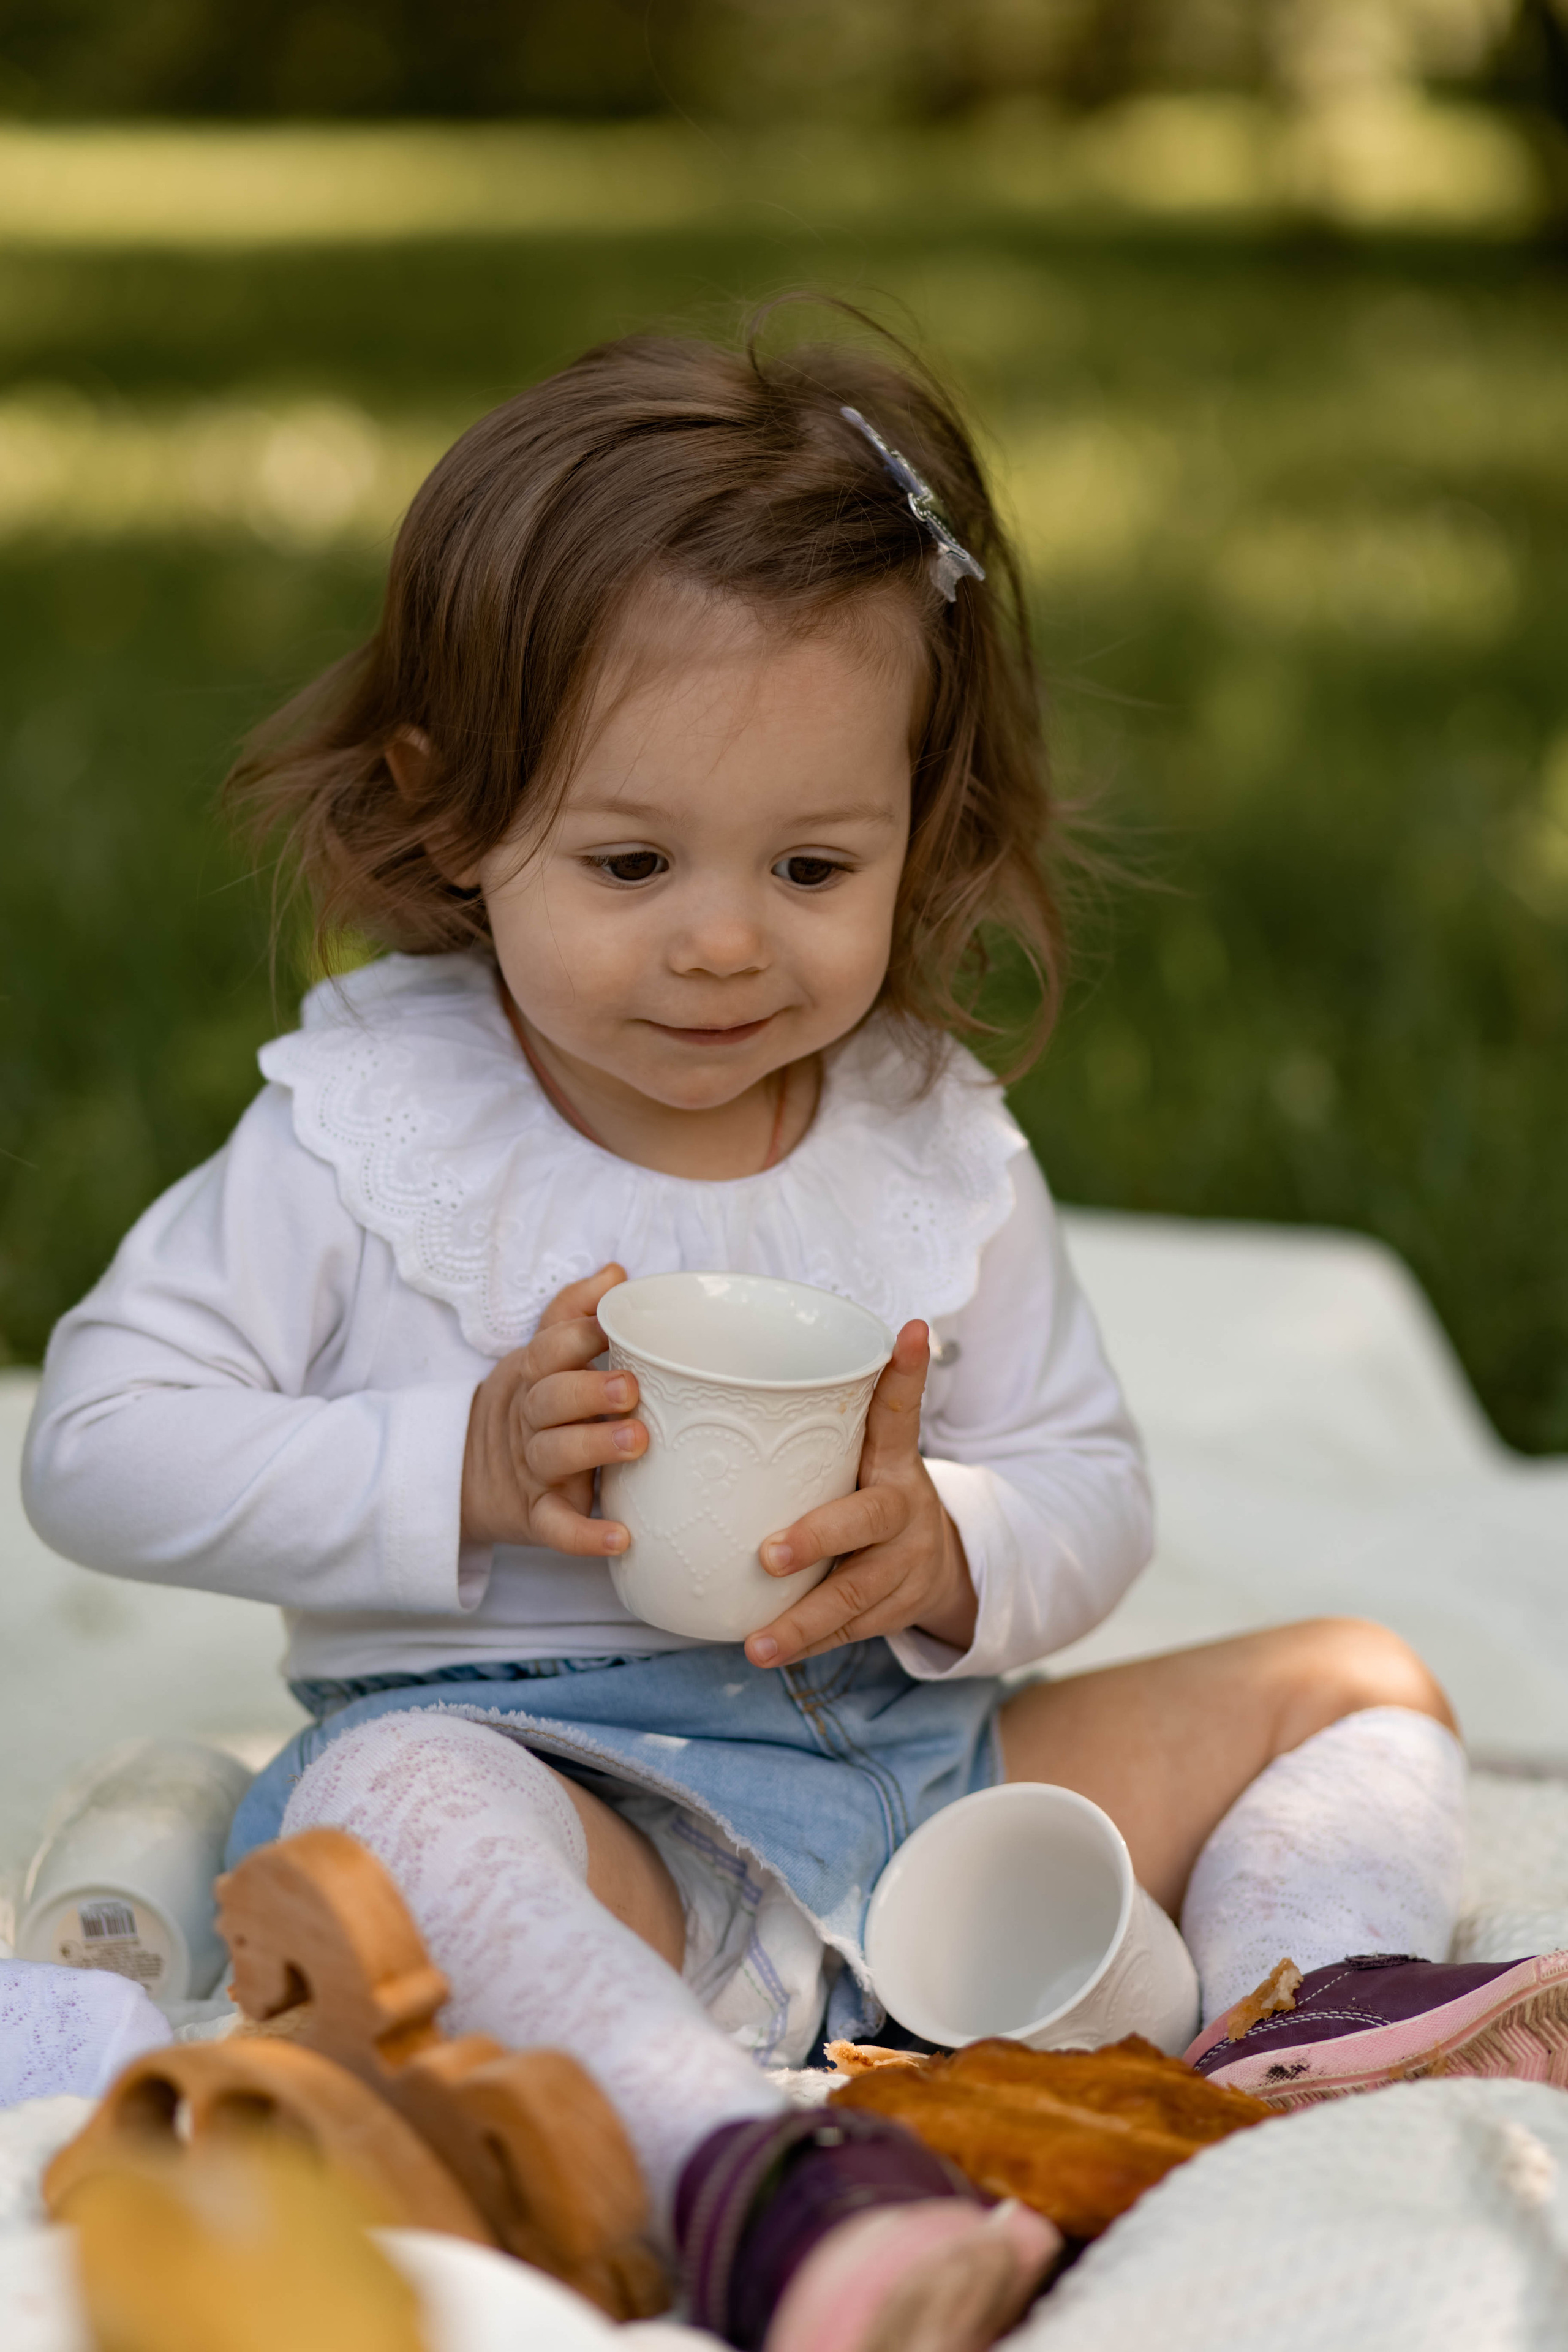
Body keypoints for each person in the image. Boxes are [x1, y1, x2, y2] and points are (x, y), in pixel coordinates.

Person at [21, 316, 1562, 2347]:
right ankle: (740, 2174)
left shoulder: (933, 1141)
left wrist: (958, 1546)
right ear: (453, 807)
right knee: (392, 1810)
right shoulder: (370, 1128)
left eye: (816, 863)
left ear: (924, 825)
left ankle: (1279, 2043)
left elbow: (1090, 1480)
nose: (727, 938)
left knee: (1353, 1680)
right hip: (573, 1795)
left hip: (929, 1785)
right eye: (631, 860)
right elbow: (97, 1441)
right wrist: (453, 1466)